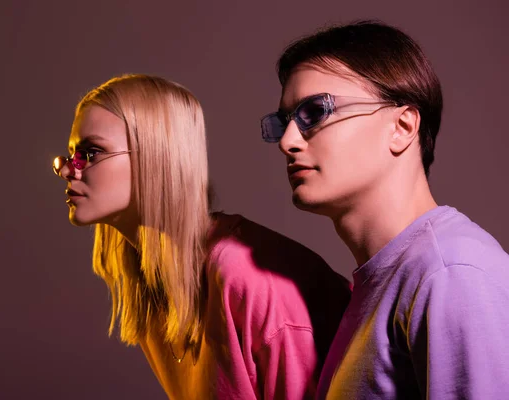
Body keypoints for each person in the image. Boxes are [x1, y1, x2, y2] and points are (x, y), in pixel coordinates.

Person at [52, 74, 350, 399]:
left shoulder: (244, 274)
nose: (69, 169)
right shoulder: (149, 282)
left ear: (157, 154)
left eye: (91, 152)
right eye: (70, 156)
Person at [261, 20, 509, 399]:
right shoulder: (386, 282)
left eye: (314, 112)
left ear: (403, 126)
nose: (288, 142)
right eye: (284, 123)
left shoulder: (450, 272)